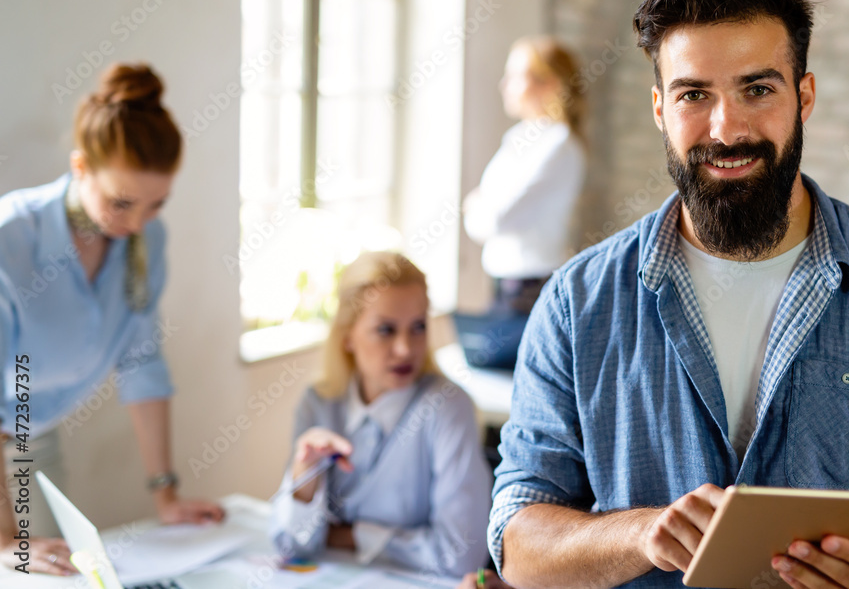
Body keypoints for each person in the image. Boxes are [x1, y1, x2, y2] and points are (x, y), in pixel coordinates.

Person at [488, 0, 849, 588]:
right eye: (694, 94)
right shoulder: (575, 303)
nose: (726, 129)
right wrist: (641, 533)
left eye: (758, 89)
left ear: (803, 97)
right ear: (659, 109)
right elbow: (518, 547)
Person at [0, 63, 224, 576]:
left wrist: (166, 497)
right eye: (122, 203)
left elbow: (142, 363)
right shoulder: (10, 241)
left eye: (156, 205)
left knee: (59, 570)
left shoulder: (146, 241)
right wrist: (5, 541)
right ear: (81, 167)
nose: (138, 224)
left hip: (35, 431)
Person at [269, 251, 493, 577]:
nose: (405, 348)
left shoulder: (448, 406)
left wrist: (352, 535)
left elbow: (462, 556)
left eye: (417, 327)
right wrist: (305, 473)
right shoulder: (317, 403)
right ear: (347, 336)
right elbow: (292, 548)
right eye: (386, 330)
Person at [463, 35, 586, 316]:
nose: (503, 85)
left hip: (530, 287)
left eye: (515, 76)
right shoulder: (519, 137)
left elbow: (494, 219)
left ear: (550, 83)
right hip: (504, 283)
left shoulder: (558, 145)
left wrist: (478, 205)